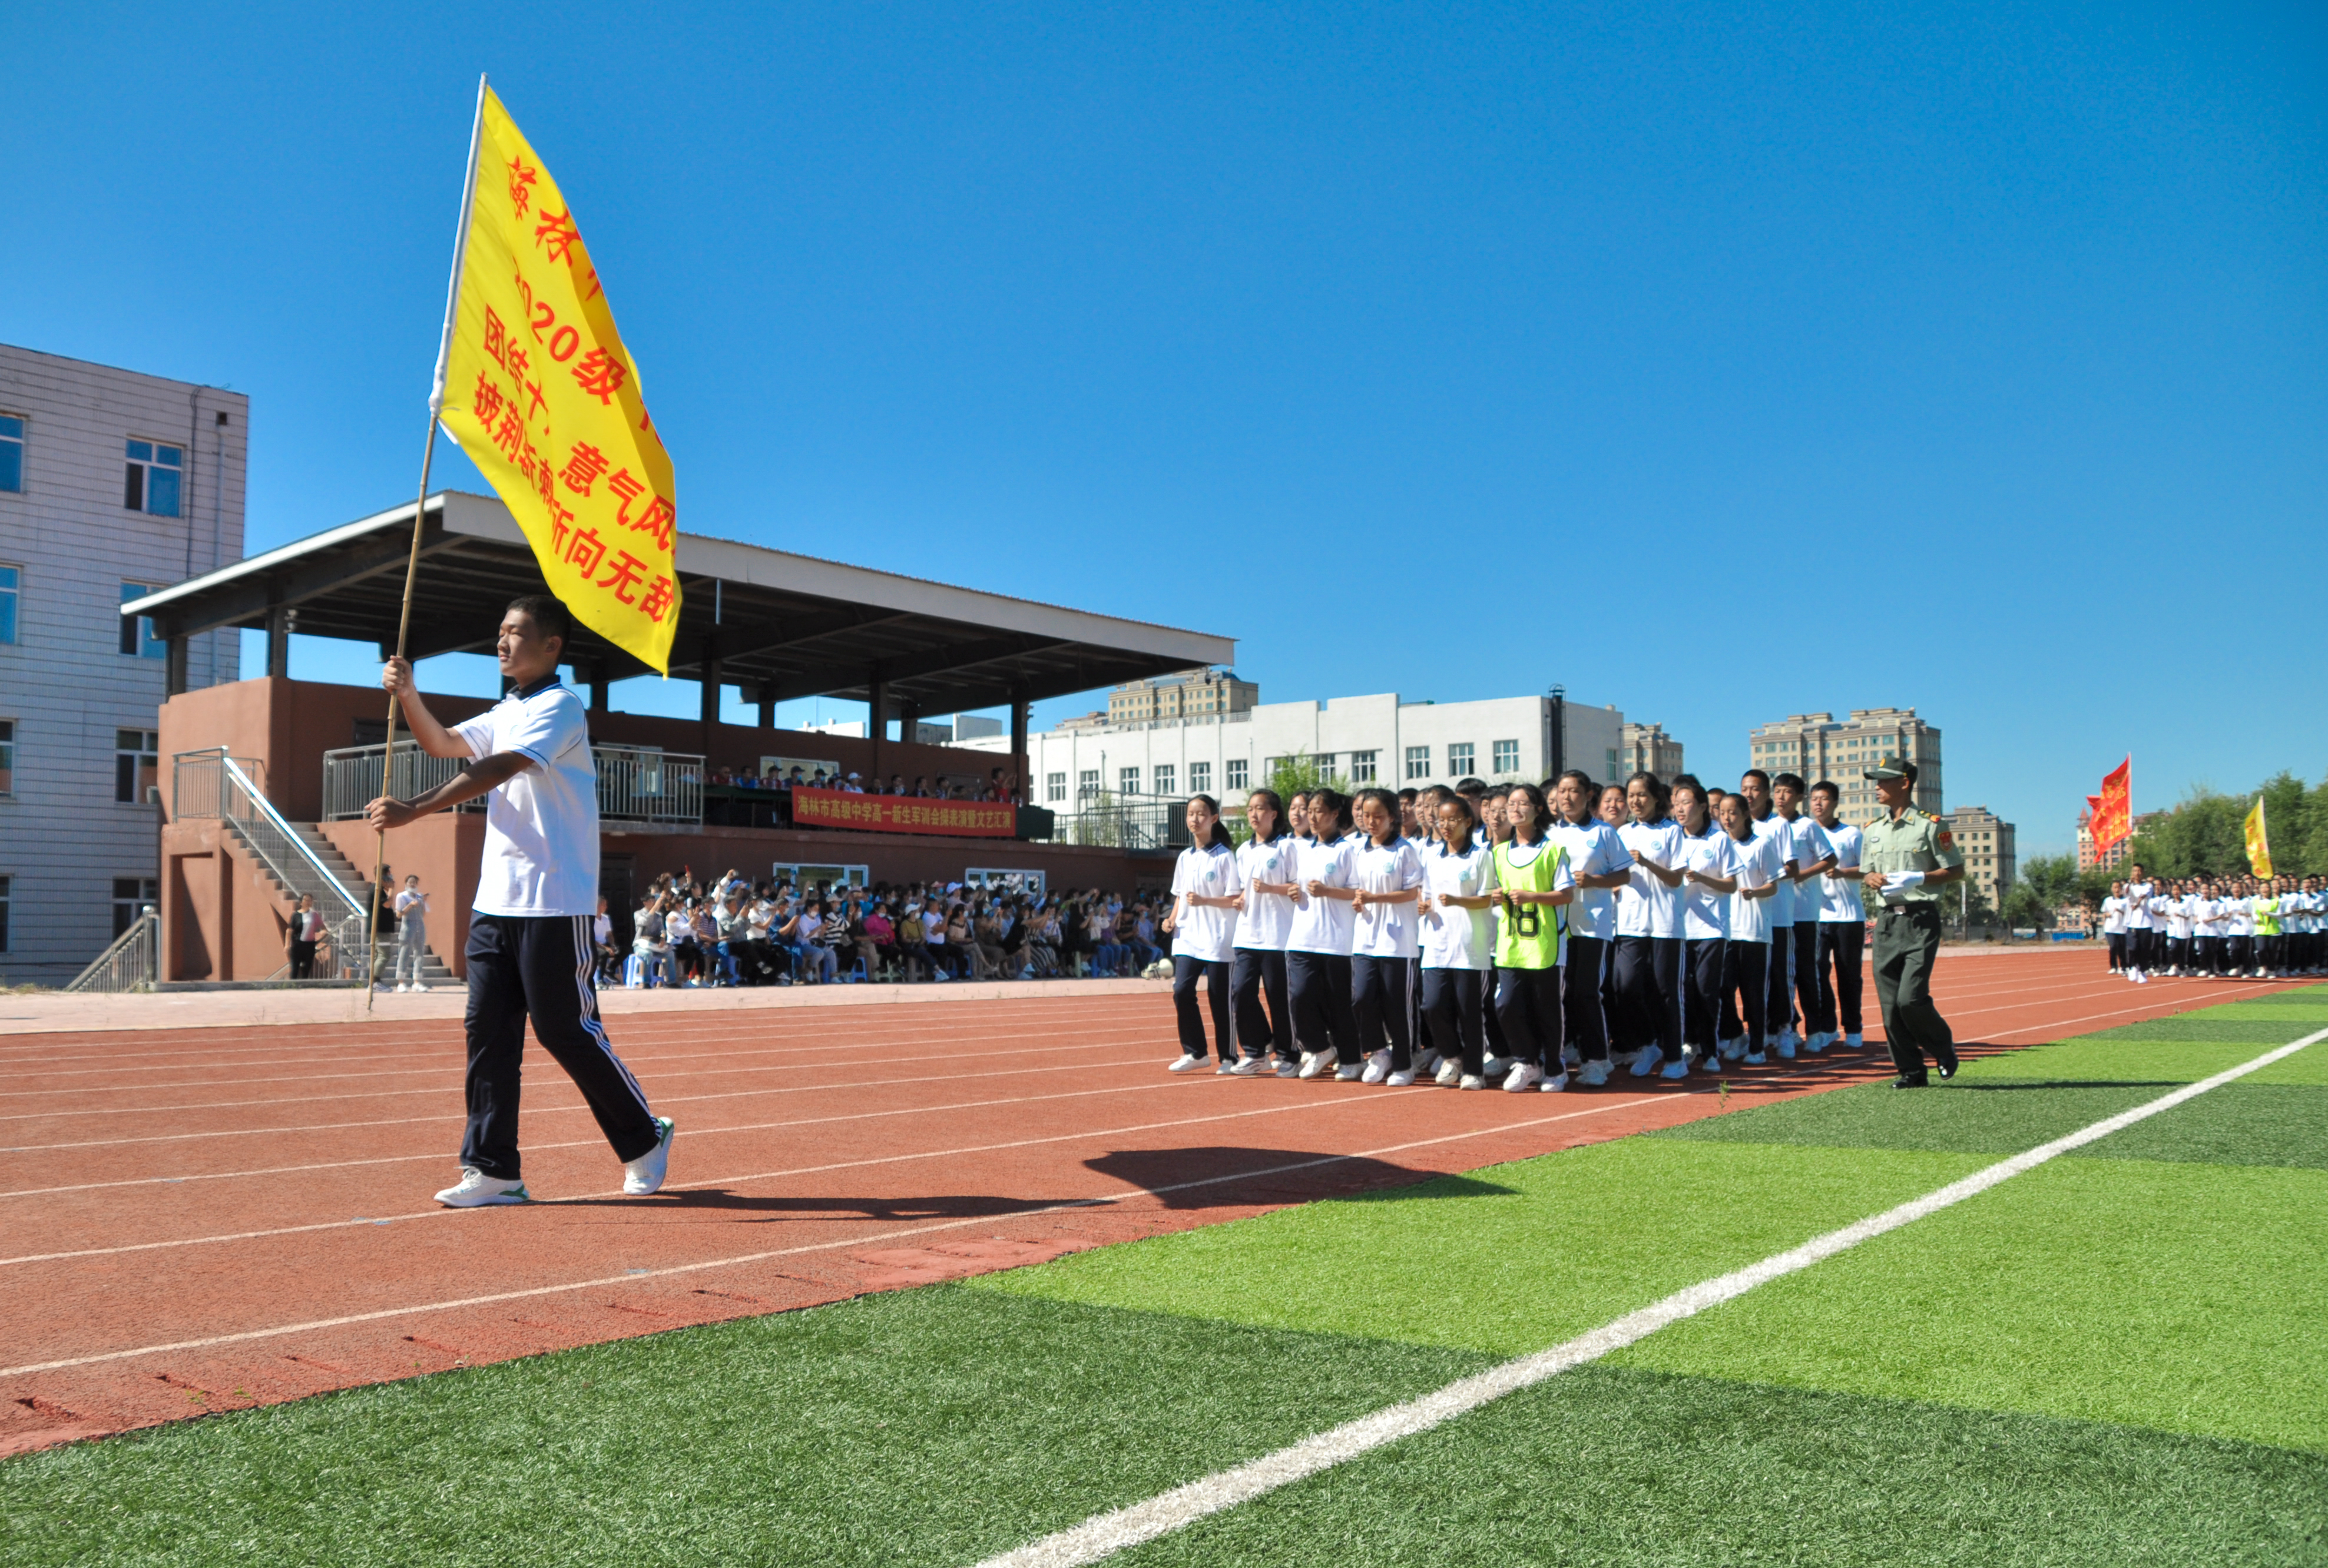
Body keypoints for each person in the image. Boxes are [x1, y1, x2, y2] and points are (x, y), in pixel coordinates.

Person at [368, 594, 673, 1205]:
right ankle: (493, 1168)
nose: (502, 641)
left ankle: (644, 1136)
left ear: (552, 645)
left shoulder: (560, 708)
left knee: (565, 1029)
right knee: (487, 1032)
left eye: (516, 632)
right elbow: (444, 744)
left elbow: (498, 768)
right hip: (495, 902)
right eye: (500, 631)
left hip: (553, 900)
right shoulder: (506, 708)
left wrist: (415, 810)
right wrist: (408, 694)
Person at [1860, 755, 1964, 1089]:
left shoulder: (1931, 825)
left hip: (1920, 921)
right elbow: (1866, 871)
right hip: (1887, 922)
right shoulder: (1873, 829)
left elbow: (1956, 869)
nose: (1877, 786)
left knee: (1911, 998)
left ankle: (1942, 1047)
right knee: (1890, 1006)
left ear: (1904, 783)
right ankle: (1911, 1071)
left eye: (1884, 780)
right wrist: (1872, 878)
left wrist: (1919, 877)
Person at [1489, 783, 1575, 1092]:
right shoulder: (1499, 853)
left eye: (1523, 803)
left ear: (1539, 809)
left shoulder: (1552, 850)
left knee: (1548, 1010)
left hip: (1545, 944)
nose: (1515, 808)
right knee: (1507, 1004)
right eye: (1511, 803)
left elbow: (1566, 895)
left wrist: (1533, 896)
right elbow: (1495, 892)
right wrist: (1497, 896)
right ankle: (1528, 1062)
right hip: (1511, 943)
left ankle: (1555, 1067)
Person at [1547, 771, 1631, 1086]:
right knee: (1560, 992)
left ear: (1587, 795)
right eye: (1562, 791)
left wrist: (1595, 881)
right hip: (1556, 925)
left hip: (1593, 924)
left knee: (1586, 992)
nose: (1567, 797)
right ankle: (1564, 1052)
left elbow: (1623, 876)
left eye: (1574, 791)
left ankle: (1597, 1059)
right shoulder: (1549, 832)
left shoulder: (1604, 832)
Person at [1418, 791, 1499, 1088]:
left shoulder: (1481, 856)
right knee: (1432, 1005)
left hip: (1469, 947)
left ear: (1467, 821)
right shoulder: (1432, 857)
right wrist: (1423, 906)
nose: (1446, 825)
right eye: (1442, 820)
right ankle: (1453, 1055)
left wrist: (1457, 900)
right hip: (1436, 944)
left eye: (1453, 819)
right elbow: (1424, 894)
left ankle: (1474, 1070)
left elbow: (1487, 900)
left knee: (1469, 1012)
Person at [1348, 787, 1426, 1086]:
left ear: (1392, 818)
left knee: (1397, 1006)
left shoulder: (1404, 850)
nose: (1371, 822)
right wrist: (1359, 900)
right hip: (1366, 937)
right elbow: (1357, 890)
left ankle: (1405, 1064)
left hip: (1398, 942)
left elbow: (1411, 893)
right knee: (1362, 998)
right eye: (1367, 815)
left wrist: (1374, 897)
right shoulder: (1360, 849)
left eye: (1378, 816)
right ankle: (1379, 1052)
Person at [1614, 773, 1688, 1080]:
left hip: (1664, 924)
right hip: (1629, 922)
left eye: (1642, 795)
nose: (1635, 801)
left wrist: (1645, 862)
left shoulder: (1673, 832)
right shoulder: (1622, 833)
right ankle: (1648, 1044)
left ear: (1657, 798)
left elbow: (1676, 878)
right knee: (1625, 986)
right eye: (1631, 795)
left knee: (1664, 991)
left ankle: (1674, 1057)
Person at [1289, 788, 1363, 1080]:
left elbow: (1358, 892)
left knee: (1339, 1004)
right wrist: (1294, 891)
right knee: (1299, 996)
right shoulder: (1304, 849)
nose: (1313, 816)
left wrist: (1328, 891)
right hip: (1302, 936)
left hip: (1336, 940)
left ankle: (1351, 1059)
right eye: (1310, 810)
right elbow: (1299, 886)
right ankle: (1320, 1048)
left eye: (1320, 811)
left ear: (1334, 814)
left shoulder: (1347, 850)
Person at [1165, 795, 1243, 1073]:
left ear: (1214, 818)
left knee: (1219, 997)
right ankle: (1196, 1052)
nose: (1195, 819)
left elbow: (1235, 898)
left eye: (1201, 814)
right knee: (1182, 991)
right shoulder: (1185, 857)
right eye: (1190, 814)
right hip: (1188, 936)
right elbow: (1179, 896)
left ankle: (1229, 1057)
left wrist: (1206, 901)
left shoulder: (1224, 856)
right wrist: (1171, 919)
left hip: (1218, 937)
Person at [1231, 788, 1302, 1076]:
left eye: (1260, 809)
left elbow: (1298, 888)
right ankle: (1257, 1051)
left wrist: (1273, 889)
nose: (1253, 814)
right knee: (1240, 993)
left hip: (1278, 935)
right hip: (1247, 933)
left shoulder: (1286, 848)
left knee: (1278, 998)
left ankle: (1290, 1055)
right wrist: (1238, 899)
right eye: (1250, 809)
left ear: (1274, 814)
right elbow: (1240, 889)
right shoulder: (1243, 850)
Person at [1673, 775, 1738, 1076]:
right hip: (1677, 928)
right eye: (1676, 803)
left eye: (1686, 803)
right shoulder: (1673, 837)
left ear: (1702, 807)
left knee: (1707, 991)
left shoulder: (1719, 839)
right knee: (1684, 990)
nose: (1680, 809)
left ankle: (1711, 1051)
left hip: (1711, 929)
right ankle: (1689, 1043)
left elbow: (1731, 885)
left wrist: (1701, 878)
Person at [1716, 792, 1782, 1063]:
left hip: (1754, 930)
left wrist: (1755, 892)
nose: (1727, 818)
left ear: (1745, 814)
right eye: (1722, 813)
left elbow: (1774, 885)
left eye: (1732, 812)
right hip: (1726, 931)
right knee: (1722, 988)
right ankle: (1735, 1035)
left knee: (1753, 993)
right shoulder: (1719, 845)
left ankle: (1757, 1046)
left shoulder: (1761, 845)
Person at [1802, 781, 1867, 1050]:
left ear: (1836, 802)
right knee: (1817, 971)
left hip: (1848, 916)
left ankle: (1853, 1028)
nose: (1818, 803)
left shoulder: (1851, 834)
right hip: (1818, 916)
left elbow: (1868, 869)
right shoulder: (1806, 832)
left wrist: (1843, 873)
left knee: (1849, 975)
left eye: (1824, 799)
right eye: (1814, 798)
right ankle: (1827, 1027)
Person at [392, 876, 432, 992]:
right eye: (410, 882)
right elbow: (399, 914)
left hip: (420, 926)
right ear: (406, 883)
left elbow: (422, 914)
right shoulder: (401, 896)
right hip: (407, 926)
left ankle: (417, 982)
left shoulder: (419, 896)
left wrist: (423, 903)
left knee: (419, 954)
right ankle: (401, 982)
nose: (412, 885)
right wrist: (410, 905)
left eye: (414, 883)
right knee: (404, 953)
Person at [287, 894, 322, 980]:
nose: (308, 902)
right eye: (306, 900)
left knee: (307, 968)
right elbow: (289, 931)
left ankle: (304, 988)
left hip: (309, 945)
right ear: (301, 902)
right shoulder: (295, 915)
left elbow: (323, 928)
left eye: (310, 900)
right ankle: (291, 987)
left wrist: (322, 934)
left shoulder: (314, 915)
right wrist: (287, 945)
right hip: (297, 945)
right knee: (295, 967)